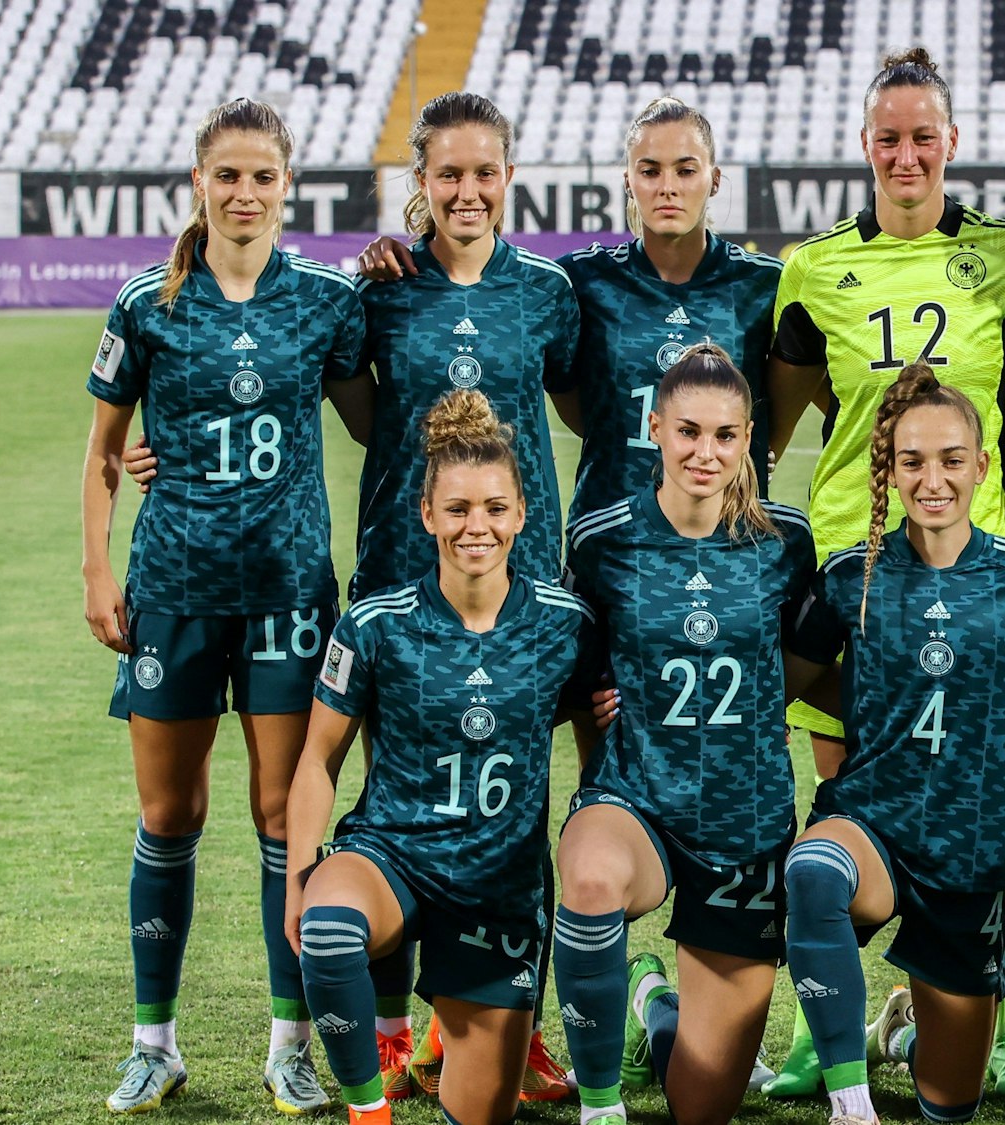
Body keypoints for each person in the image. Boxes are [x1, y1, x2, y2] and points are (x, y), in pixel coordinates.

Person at [134, 91, 586, 1103]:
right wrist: (169, 443)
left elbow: (586, 408)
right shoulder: (371, 294)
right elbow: (330, 406)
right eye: (448, 173)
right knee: (396, 804)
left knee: (516, 804)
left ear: (508, 177)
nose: (467, 190)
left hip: (521, 578)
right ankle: (388, 1032)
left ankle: (506, 1017)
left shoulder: (550, 295)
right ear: (419, 184)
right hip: (399, 567)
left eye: (484, 171)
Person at [762, 46, 1005, 1099]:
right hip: (851, 568)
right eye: (888, 137)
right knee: (845, 789)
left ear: (949, 143)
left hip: (980, 565)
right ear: (864, 147)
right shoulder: (813, 271)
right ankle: (829, 1031)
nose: (906, 153)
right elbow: (779, 424)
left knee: (985, 797)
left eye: (923, 136)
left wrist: (1002, 479)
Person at [79, 97, 368, 1116]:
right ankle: (153, 1044)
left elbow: (376, 418)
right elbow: (107, 452)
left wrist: (395, 266)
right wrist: (96, 572)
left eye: (262, 176)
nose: (244, 193)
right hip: (175, 594)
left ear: (288, 187)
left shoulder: (329, 303)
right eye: (226, 175)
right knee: (169, 816)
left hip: (289, 596)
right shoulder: (145, 303)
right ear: (197, 185)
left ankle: (287, 1045)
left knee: (282, 821)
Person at [780, 364, 1005, 1125]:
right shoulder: (849, 578)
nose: (933, 479)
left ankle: (905, 1033)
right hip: (874, 825)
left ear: (983, 465)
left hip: (972, 855)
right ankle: (851, 1101)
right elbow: (780, 681)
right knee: (813, 870)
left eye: (951, 459)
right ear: (890, 470)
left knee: (949, 1105)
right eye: (913, 461)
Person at [286, 389, 594, 1125]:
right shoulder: (374, 623)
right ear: (427, 516)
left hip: (500, 888)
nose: (475, 526)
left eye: (493, 507)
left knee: (479, 1114)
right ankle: (368, 1112)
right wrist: (302, 873)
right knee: (329, 932)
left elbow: (599, 761)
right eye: (456, 509)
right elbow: (317, 760)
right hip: (391, 856)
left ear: (522, 512)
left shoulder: (567, 627)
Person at [550, 344, 816, 1125]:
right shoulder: (602, 539)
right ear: (654, 426)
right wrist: (586, 699)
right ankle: (600, 1103)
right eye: (689, 431)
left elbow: (811, 660)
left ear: (749, 440)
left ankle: (652, 1002)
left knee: (702, 1106)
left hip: (747, 824)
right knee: (592, 877)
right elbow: (563, 666)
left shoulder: (786, 543)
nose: (706, 452)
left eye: (726, 436)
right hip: (636, 795)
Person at [359, 96, 783, 523]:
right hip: (611, 536)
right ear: (628, 180)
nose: (667, 186)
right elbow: (583, 412)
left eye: (686, 170)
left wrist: (758, 445)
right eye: (650, 171)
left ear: (714, 178)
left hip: (731, 532)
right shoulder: (581, 280)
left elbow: (802, 384)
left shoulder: (764, 285)